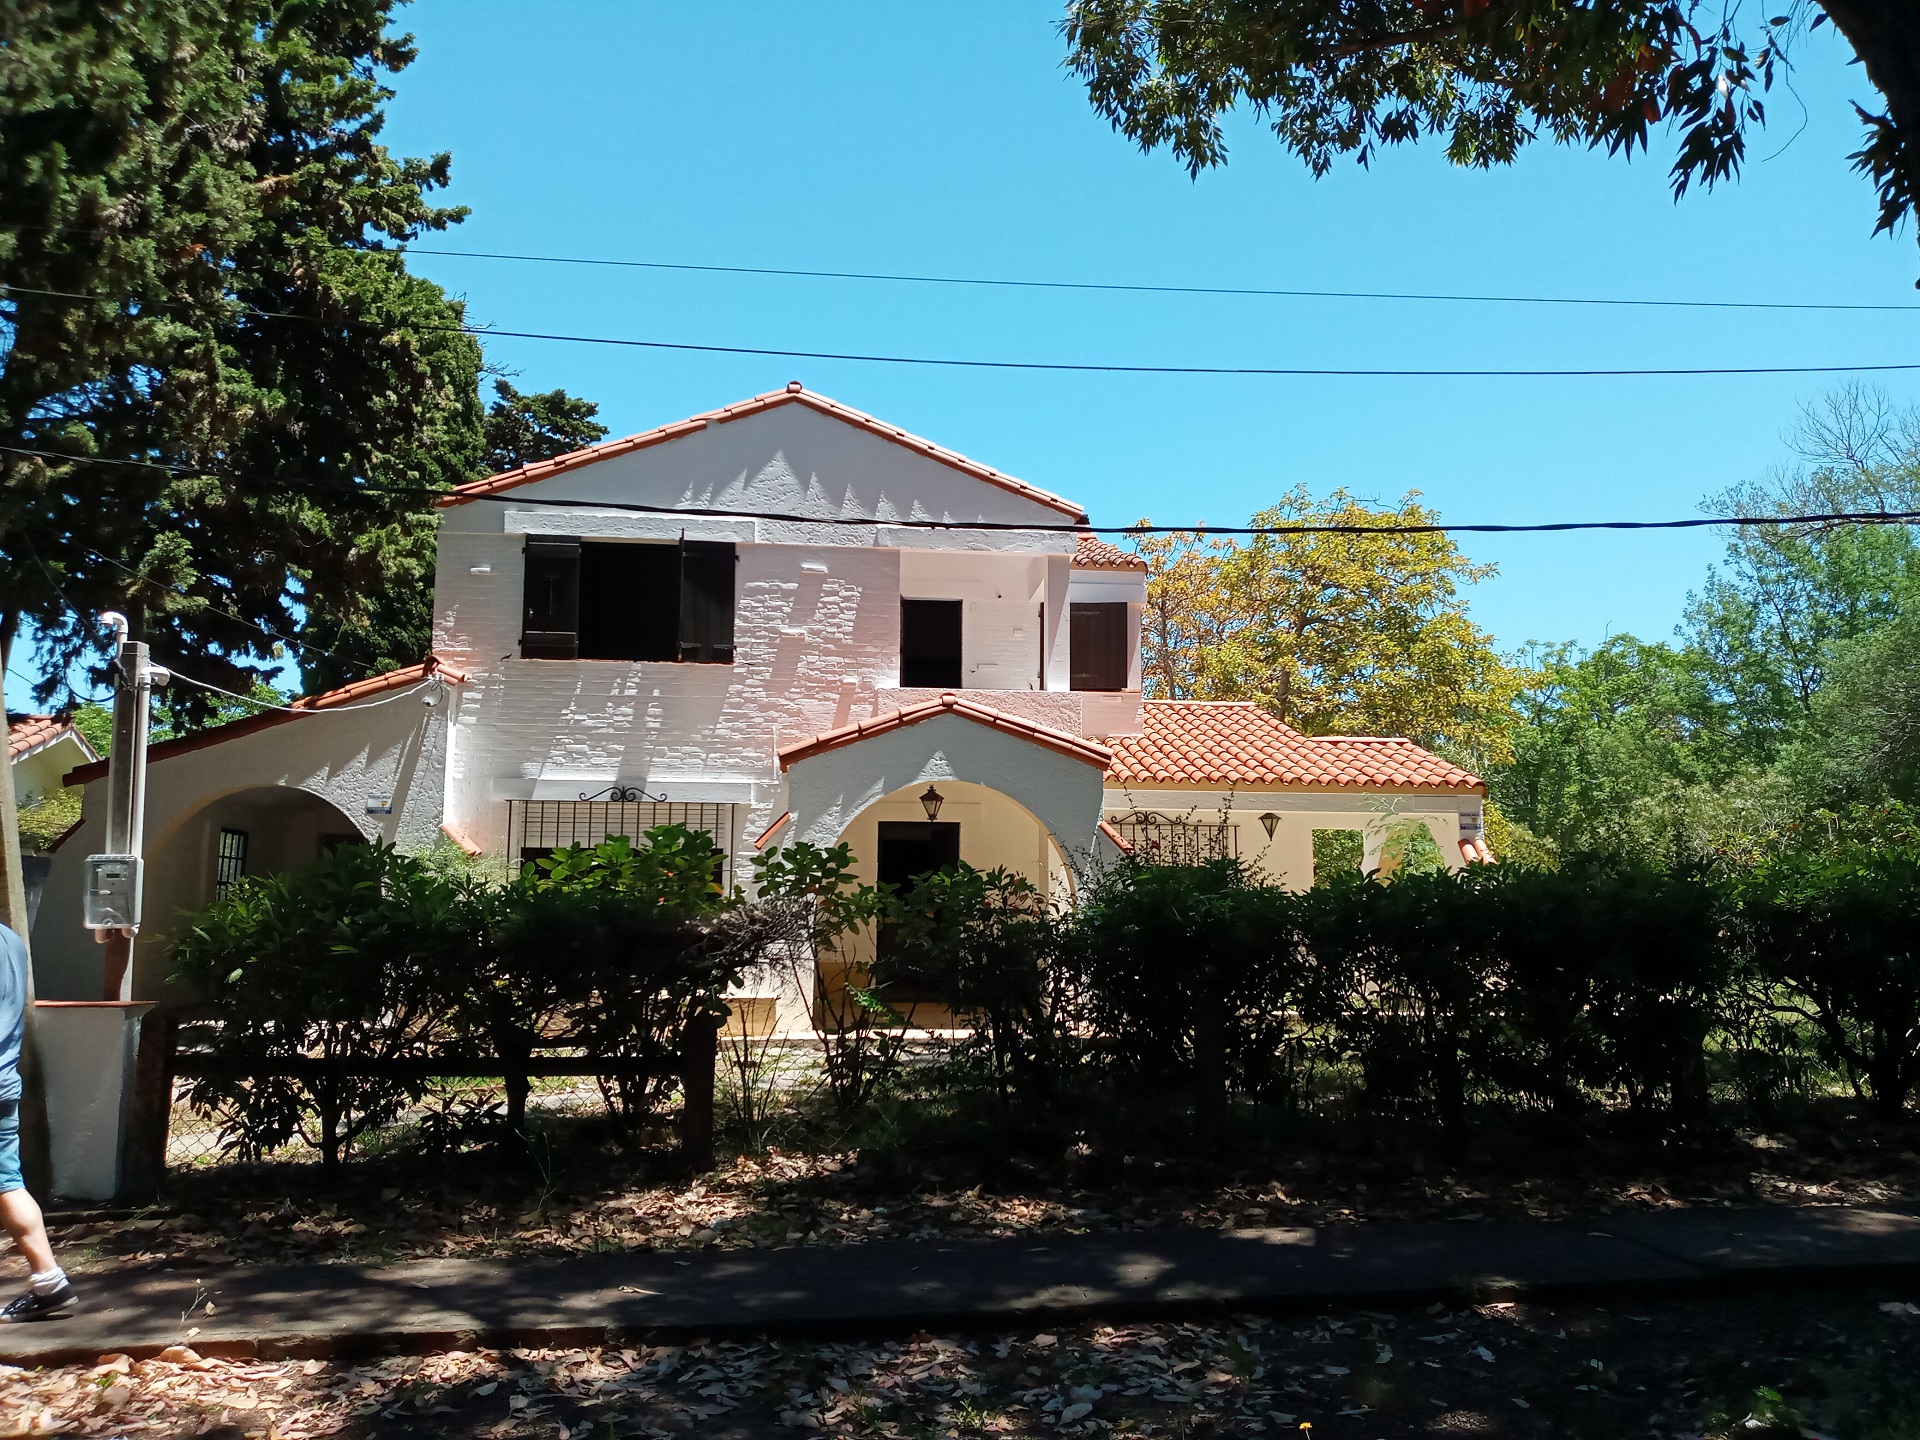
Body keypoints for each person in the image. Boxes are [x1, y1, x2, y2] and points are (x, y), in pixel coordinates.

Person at [0, 921, 75, 1320]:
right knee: (7, 1182)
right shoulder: (10, 941)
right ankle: (49, 1282)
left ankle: (50, 1281)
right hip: (3, 1081)